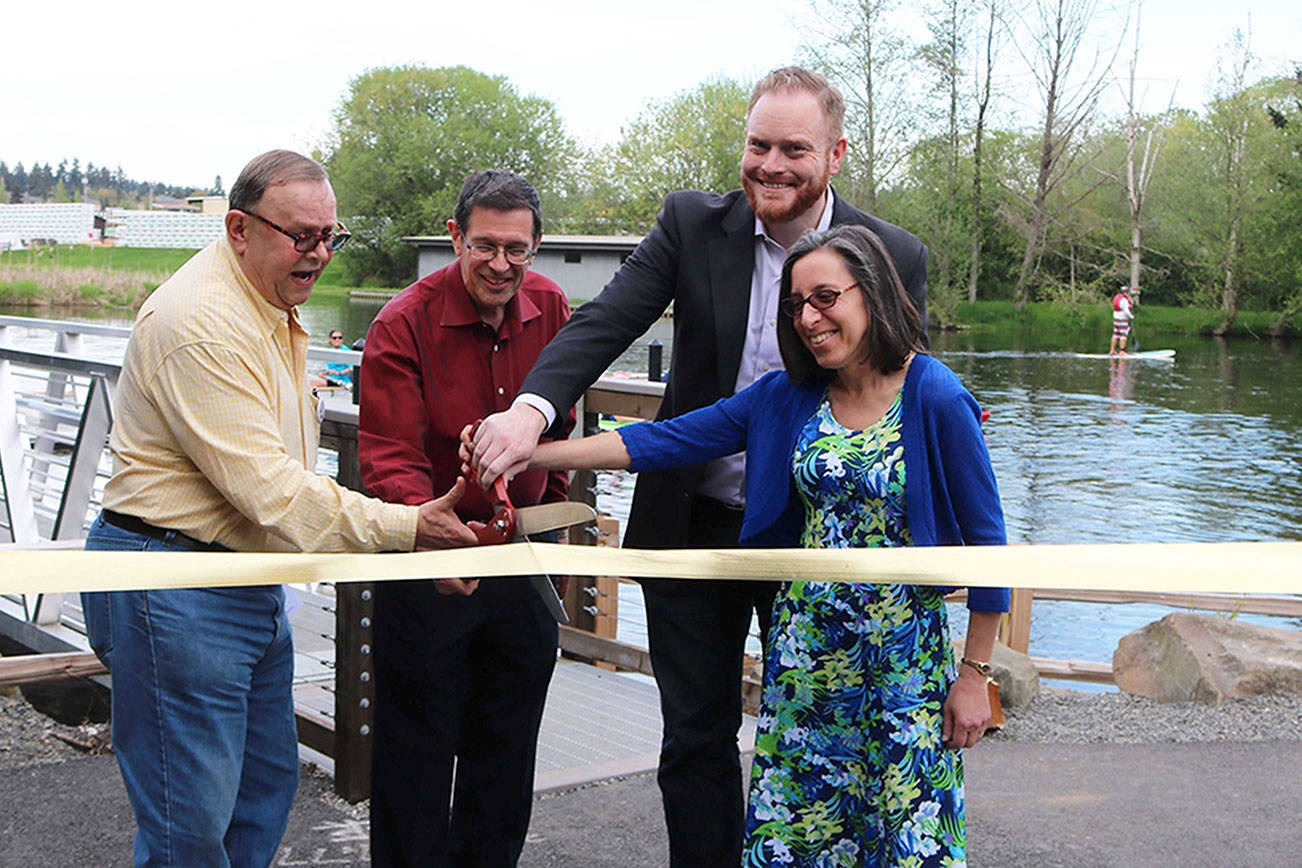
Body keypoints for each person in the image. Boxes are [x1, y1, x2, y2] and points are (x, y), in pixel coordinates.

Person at [468, 65, 930, 866]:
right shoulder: (690, 224)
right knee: (695, 737)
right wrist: (529, 413)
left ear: (836, 155)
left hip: (810, 541)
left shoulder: (888, 253)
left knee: (823, 745)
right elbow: (606, 321)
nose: (772, 165)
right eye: (758, 145)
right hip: (690, 533)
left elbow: (906, 403)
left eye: (795, 148)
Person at [476, 224, 1007, 866]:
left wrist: (974, 674)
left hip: (903, 672)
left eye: (826, 298)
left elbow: (988, 545)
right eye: (797, 305)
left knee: (903, 842)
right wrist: (526, 451)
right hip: (807, 664)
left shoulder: (936, 395)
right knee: (799, 840)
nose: (809, 318)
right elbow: (659, 442)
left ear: (871, 293)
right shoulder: (787, 396)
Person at [79, 149, 479, 868]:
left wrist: (408, 534)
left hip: (243, 578)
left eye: (332, 236)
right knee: (187, 824)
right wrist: (409, 528)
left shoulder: (265, 299)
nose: (320, 254)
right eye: (302, 236)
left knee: (264, 789)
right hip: (171, 585)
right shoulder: (200, 322)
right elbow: (269, 488)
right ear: (238, 228)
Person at [357, 170, 575, 867]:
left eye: (518, 249)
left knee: (505, 764)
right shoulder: (403, 321)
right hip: (431, 564)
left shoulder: (552, 306)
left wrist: (547, 507)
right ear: (456, 238)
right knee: (413, 765)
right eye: (485, 246)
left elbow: (565, 419)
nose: (501, 265)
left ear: (536, 246)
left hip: (517, 561)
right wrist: (429, 536)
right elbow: (389, 454)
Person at [1110, 286, 1134, 355]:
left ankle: (1112, 350)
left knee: (1116, 334)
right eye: (1128, 292)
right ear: (1125, 292)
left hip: (1116, 319)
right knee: (1123, 335)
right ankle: (1122, 351)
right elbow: (1126, 311)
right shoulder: (1124, 300)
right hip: (1122, 319)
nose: (1129, 294)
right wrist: (1131, 317)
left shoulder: (1117, 297)